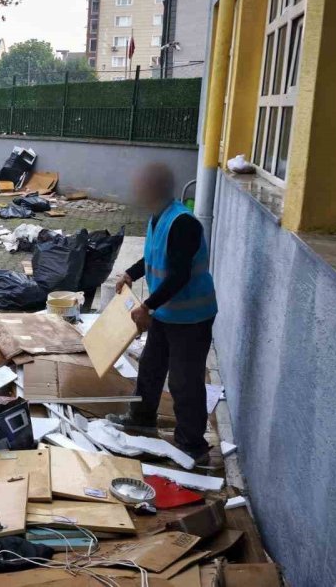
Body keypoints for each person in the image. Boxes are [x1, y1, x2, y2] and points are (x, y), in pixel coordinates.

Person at [107, 163, 218, 466]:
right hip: (167, 312)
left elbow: (179, 275)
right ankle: (141, 419)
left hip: (191, 318)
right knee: (151, 366)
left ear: (155, 189)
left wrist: (148, 307)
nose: (136, 193)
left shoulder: (183, 223)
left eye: (141, 187)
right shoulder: (158, 217)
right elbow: (154, 257)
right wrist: (130, 274)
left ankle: (192, 445)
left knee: (184, 381)